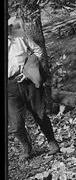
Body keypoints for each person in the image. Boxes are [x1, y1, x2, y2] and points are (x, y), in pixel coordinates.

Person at [8, 16, 60, 161]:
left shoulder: (20, 36)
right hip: (9, 87)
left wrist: (29, 69)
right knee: (16, 124)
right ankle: (26, 147)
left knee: (40, 114)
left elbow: (38, 51)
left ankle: (52, 142)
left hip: (28, 81)